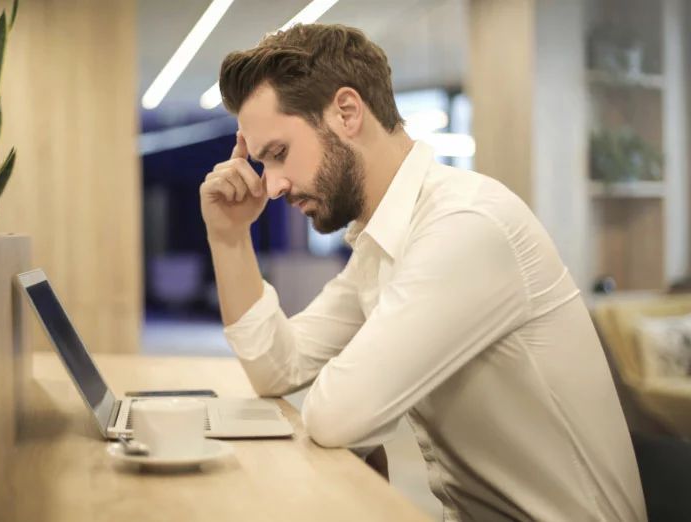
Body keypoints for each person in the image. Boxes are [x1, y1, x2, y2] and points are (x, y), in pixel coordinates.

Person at [199, 23, 646, 522]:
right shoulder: (383, 242)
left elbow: (337, 415)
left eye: (278, 154)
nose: (274, 185)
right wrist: (230, 237)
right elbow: (277, 368)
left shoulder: (465, 225)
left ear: (346, 113)